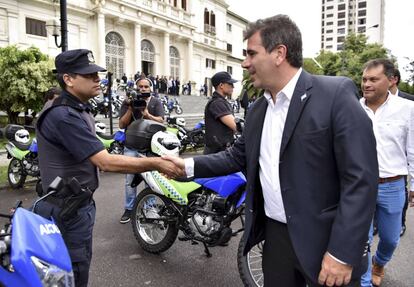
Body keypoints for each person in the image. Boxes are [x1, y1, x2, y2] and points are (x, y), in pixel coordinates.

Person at [164, 15, 378, 287]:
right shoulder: (258, 110)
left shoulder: (334, 94)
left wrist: (342, 253)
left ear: (279, 53)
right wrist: (186, 166)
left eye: (252, 54)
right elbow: (236, 156)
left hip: (326, 242)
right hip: (276, 241)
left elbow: (361, 180)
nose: (245, 63)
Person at [34, 49, 182, 287]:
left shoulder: (75, 109)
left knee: (72, 269)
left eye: (97, 74)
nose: (97, 79)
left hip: (74, 204)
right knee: (72, 272)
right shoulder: (64, 115)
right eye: (89, 75)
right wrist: (156, 163)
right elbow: (105, 161)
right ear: (68, 79)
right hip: (67, 209)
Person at [359, 59, 414, 287]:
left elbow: (412, 149)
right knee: (362, 239)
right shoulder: (353, 108)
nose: (367, 84)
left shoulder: (407, 109)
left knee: (390, 239)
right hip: (360, 185)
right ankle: (364, 281)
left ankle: (379, 263)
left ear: (390, 80)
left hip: (392, 184)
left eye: (373, 79)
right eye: (364, 79)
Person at [118, 77, 165, 223]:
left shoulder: (156, 102)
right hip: (131, 146)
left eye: (146, 86)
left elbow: (162, 120)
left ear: (150, 88)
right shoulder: (129, 102)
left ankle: (149, 209)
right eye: (141, 86)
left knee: (150, 181)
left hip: (150, 148)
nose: (143, 89)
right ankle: (129, 209)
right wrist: (131, 108)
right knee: (130, 181)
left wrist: (147, 115)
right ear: (137, 87)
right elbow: (121, 124)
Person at [389, 68, 414, 237]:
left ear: (394, 80)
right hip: (382, 157)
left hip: (402, 155)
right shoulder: (367, 102)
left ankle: (401, 222)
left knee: (400, 193)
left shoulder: (409, 102)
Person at [203, 71, 237, 155]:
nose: (233, 87)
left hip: (219, 152)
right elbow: (236, 125)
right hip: (217, 153)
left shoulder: (220, 101)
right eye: (230, 84)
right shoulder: (217, 103)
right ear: (221, 85)